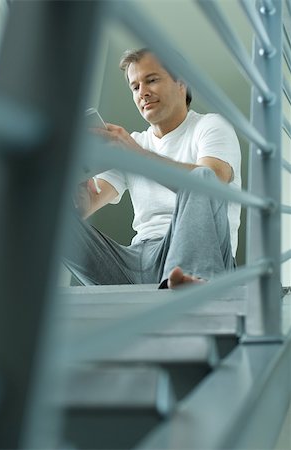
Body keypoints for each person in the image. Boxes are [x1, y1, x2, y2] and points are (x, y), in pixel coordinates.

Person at [65, 48, 241, 289]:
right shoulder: (132, 143)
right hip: (136, 260)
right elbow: (87, 208)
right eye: (135, 87)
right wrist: (78, 193)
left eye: (151, 80)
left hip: (203, 256)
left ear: (182, 82)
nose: (143, 93)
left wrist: (135, 153)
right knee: (54, 216)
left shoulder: (211, 125)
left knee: (201, 177)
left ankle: (189, 280)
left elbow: (213, 181)